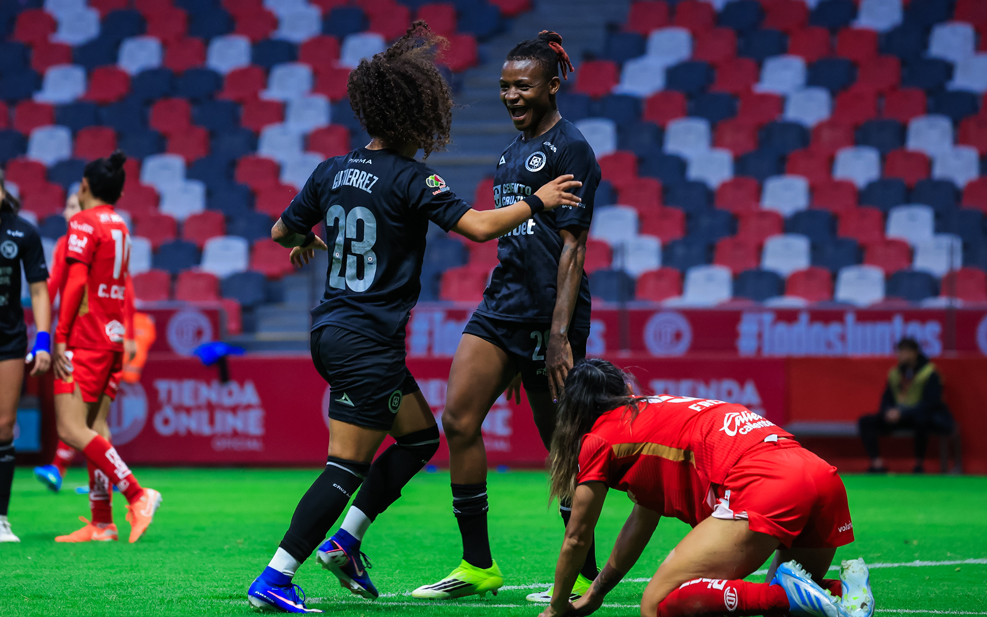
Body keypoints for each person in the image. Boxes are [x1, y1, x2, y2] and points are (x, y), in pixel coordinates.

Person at [245, 22, 583, 614]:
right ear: (417, 116)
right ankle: (276, 575)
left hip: (330, 329)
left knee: (421, 437)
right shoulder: (411, 178)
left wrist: (308, 240)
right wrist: (538, 201)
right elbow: (478, 227)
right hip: (368, 340)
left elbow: (280, 232)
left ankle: (347, 544)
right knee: (345, 466)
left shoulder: (330, 170)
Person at [409, 30, 602, 602]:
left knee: (561, 446)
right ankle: (478, 565)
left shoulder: (572, 148)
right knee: (459, 420)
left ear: (552, 86)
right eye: (504, 86)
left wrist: (558, 336)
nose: (511, 96)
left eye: (523, 86)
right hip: (501, 307)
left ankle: (584, 574)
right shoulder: (510, 152)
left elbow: (574, 247)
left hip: (549, 317)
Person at [538, 359, 876, 617]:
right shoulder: (654, 412)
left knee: (657, 605)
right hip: (819, 474)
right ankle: (844, 590)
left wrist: (556, 607)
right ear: (625, 391)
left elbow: (577, 537)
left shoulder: (598, 438)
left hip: (767, 482)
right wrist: (596, 593)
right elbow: (641, 520)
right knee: (785, 606)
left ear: (573, 411)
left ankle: (802, 593)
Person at [51, 151, 160, 544]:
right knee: (96, 428)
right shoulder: (120, 225)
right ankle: (102, 522)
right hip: (111, 338)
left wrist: (59, 334)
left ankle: (137, 494)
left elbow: (76, 283)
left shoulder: (83, 222)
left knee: (70, 428)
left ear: (84, 186)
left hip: (87, 338)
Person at [33, 193, 136, 493]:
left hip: (87, 338)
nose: (68, 212)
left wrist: (53, 333)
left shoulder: (89, 239)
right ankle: (101, 498)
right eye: (67, 207)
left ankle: (130, 490)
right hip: (97, 336)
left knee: (78, 421)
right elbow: (54, 284)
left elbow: (122, 288)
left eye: (74, 207)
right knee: (93, 421)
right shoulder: (78, 240)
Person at [0, 169, 52, 543]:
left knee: (4, 426)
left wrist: (43, 340)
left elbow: (38, 290)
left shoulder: (23, 232)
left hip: (9, 341)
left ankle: (0, 519)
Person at [858, 338, 953, 474]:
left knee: (922, 420)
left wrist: (903, 413)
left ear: (914, 353)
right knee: (865, 421)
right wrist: (888, 411)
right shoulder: (895, 373)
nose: (900, 356)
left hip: (919, 416)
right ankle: (877, 463)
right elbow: (886, 398)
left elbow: (932, 402)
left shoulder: (929, 372)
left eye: (904, 352)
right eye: (899, 352)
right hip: (898, 418)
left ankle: (919, 464)